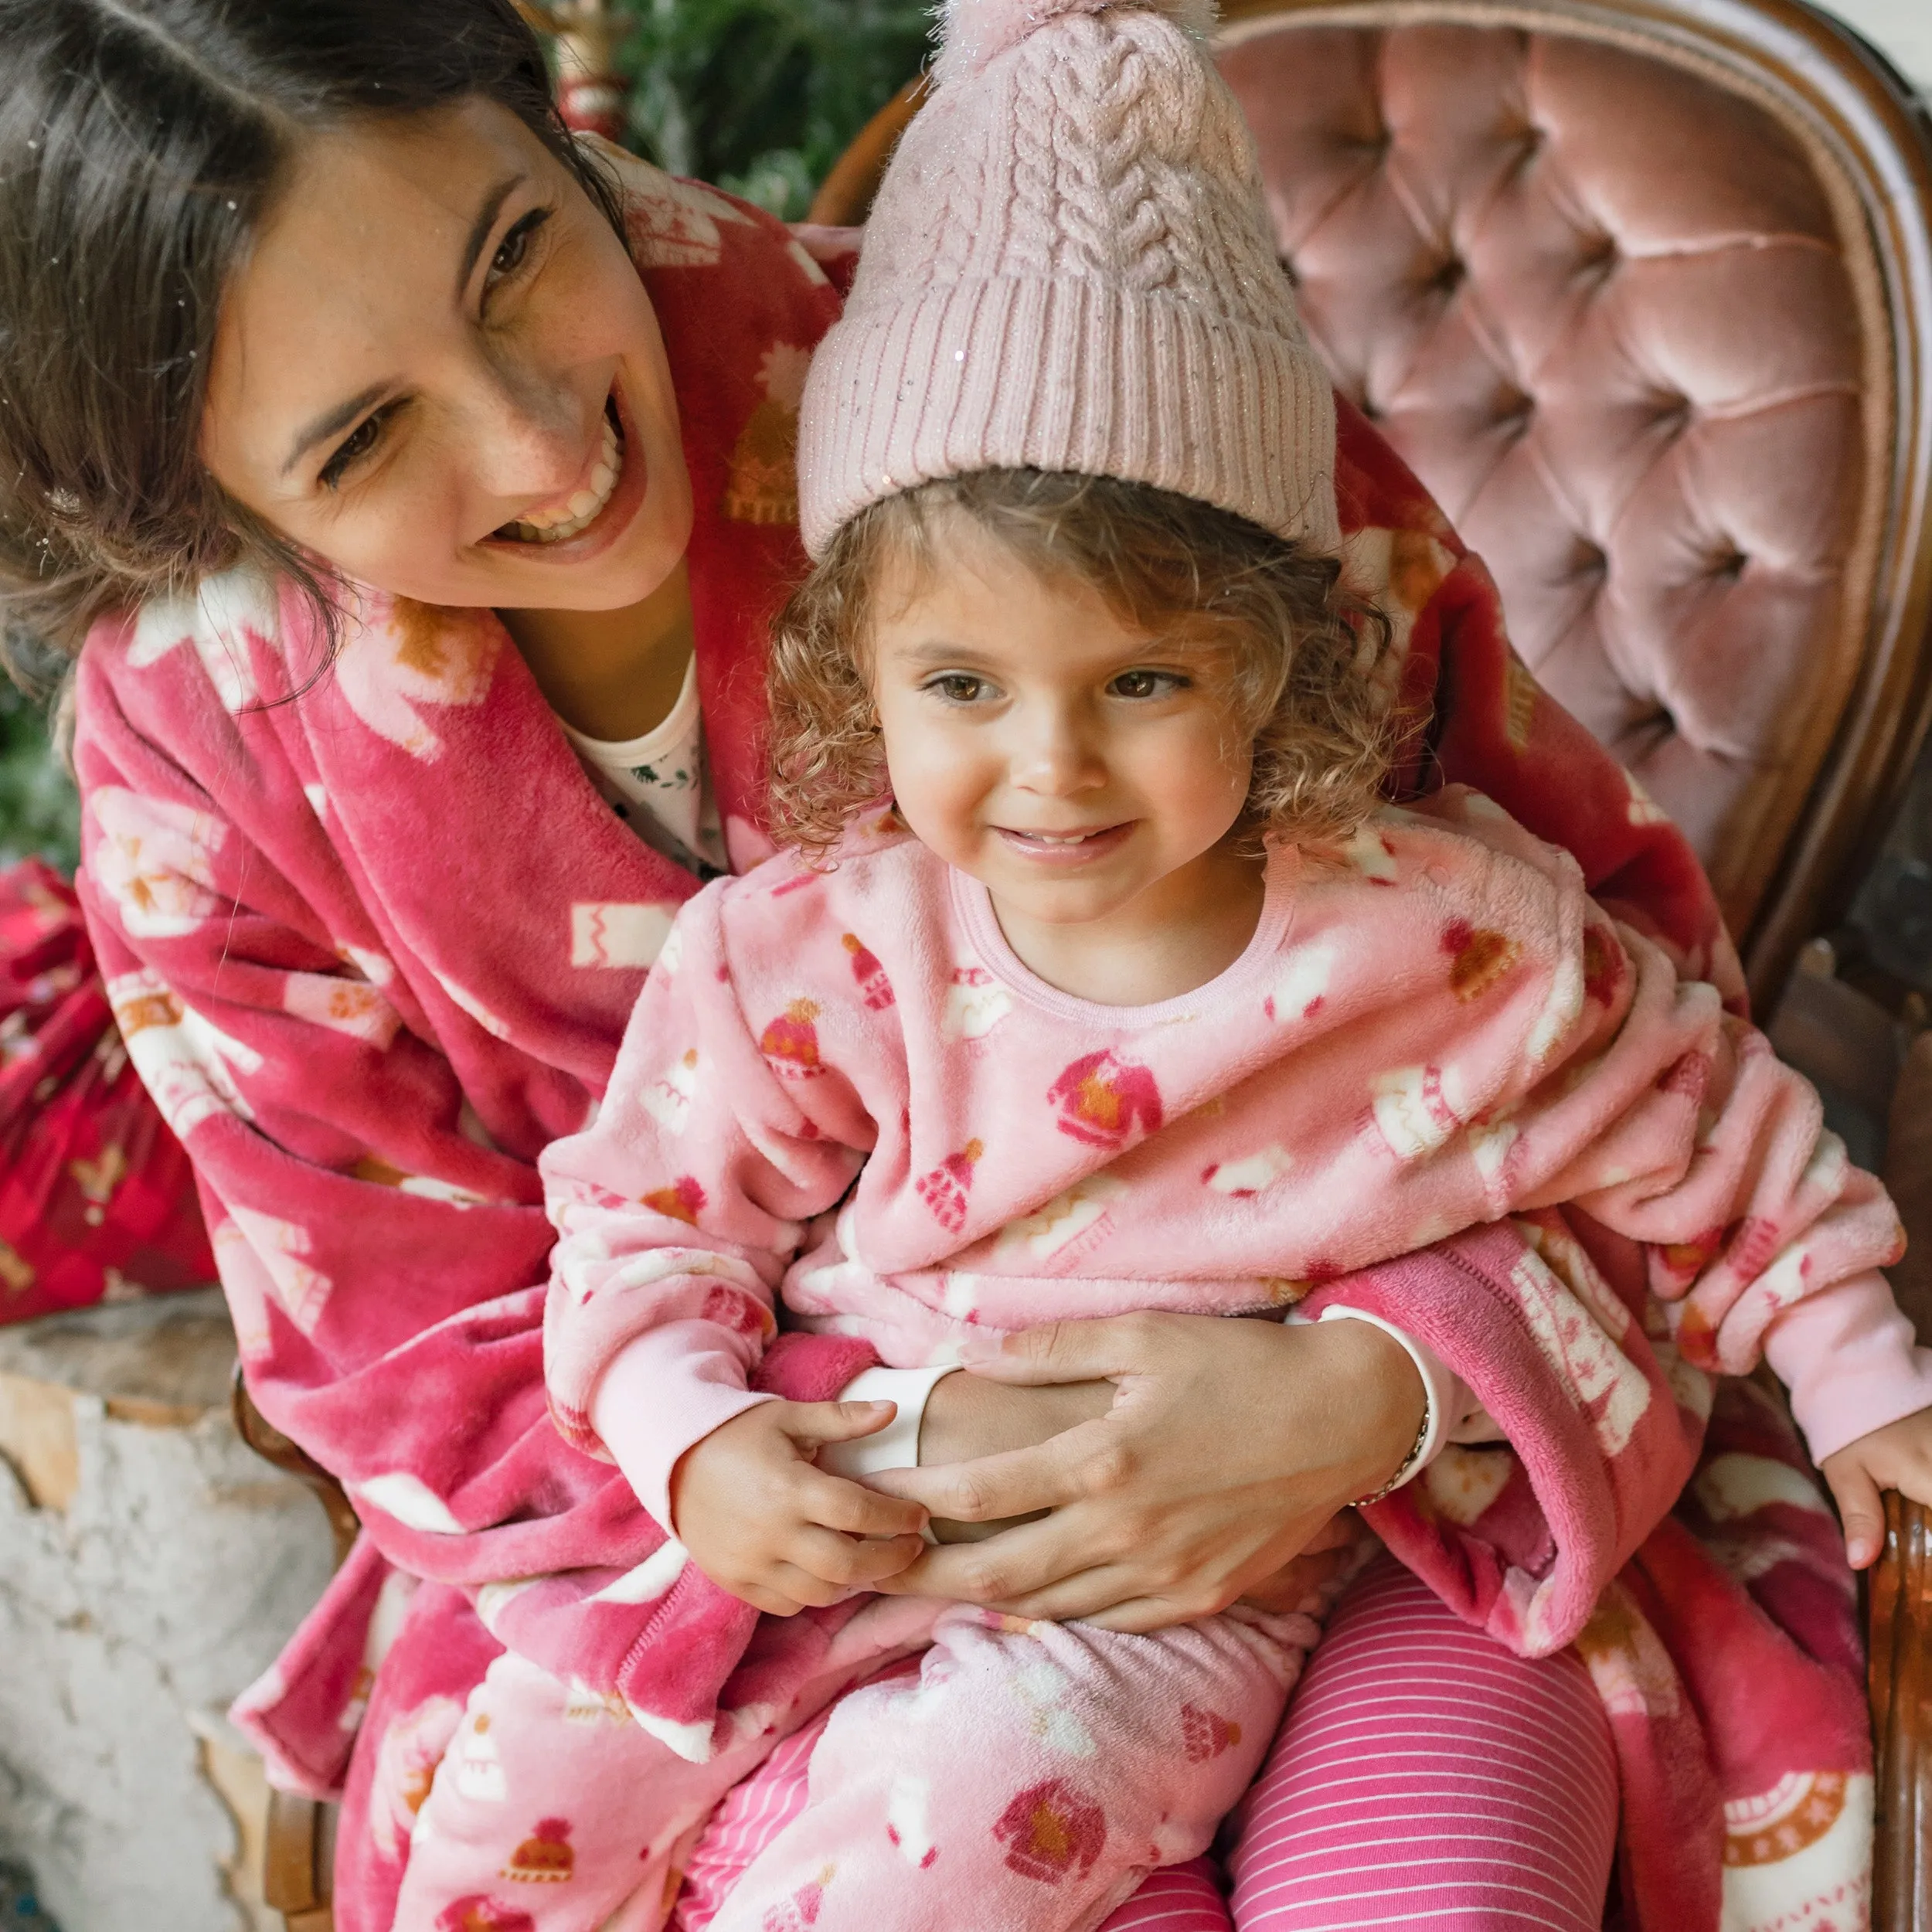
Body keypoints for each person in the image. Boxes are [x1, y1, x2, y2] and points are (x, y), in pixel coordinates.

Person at [0, 2, 1866, 1928]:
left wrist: (1368, 1395)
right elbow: (401, 1350)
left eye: (515, 254)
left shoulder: (1074, 389)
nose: (544, 442)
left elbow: (1619, 1019)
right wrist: (868, 1458)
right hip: (702, 1557)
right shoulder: (201, 739)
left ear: (545, 123)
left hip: (1386, 1489)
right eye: (367, 434)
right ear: (194, 501)